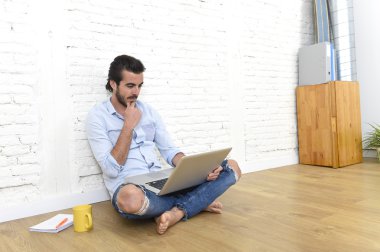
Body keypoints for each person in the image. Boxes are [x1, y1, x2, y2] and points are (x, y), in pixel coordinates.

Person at [86, 55, 241, 235]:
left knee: (232, 168)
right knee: (129, 200)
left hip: (162, 181)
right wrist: (128, 125)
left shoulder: (149, 111)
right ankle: (196, 202)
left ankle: (177, 212)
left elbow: (169, 151)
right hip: (134, 187)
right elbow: (111, 169)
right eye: (130, 86)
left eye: (139, 86)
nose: (136, 92)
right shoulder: (97, 117)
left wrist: (192, 170)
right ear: (113, 84)